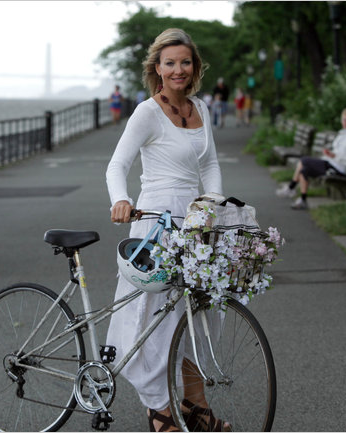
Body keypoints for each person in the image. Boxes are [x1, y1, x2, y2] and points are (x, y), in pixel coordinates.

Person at [106, 28, 230, 432]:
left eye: (185, 62)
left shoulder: (201, 108)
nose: (179, 70)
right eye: (170, 63)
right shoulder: (147, 112)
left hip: (193, 221)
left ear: (195, 66)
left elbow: (209, 164)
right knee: (155, 318)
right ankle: (159, 408)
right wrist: (119, 200)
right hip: (155, 220)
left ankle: (196, 406)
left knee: (197, 311)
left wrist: (213, 203)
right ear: (157, 68)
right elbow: (117, 165)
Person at [276, 107, 346, 209]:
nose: (345, 122)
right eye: (343, 119)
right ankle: (303, 200)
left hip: (338, 169)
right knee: (305, 170)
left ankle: (291, 188)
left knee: (304, 161)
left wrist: (335, 156)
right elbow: (340, 153)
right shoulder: (344, 134)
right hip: (332, 164)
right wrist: (331, 154)